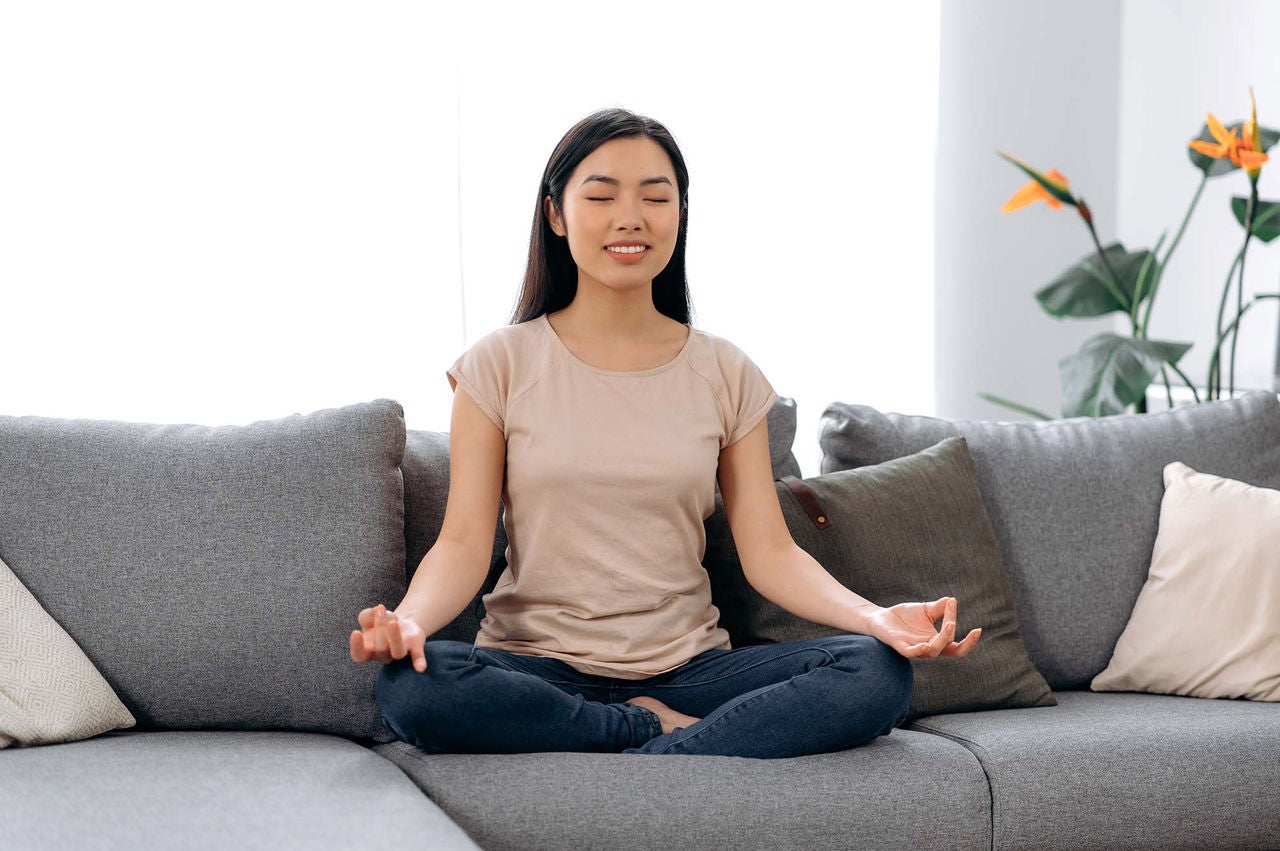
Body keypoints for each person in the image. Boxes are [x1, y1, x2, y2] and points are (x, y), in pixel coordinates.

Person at [349, 107, 982, 759]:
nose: (631, 216)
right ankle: (655, 733)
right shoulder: (499, 363)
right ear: (556, 214)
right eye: (601, 195)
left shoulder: (725, 370)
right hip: (537, 666)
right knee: (412, 688)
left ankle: (634, 734)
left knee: (877, 673)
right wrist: (412, 622)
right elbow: (461, 542)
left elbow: (771, 553)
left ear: (680, 214)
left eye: (657, 196)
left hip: (691, 672)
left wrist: (877, 618)